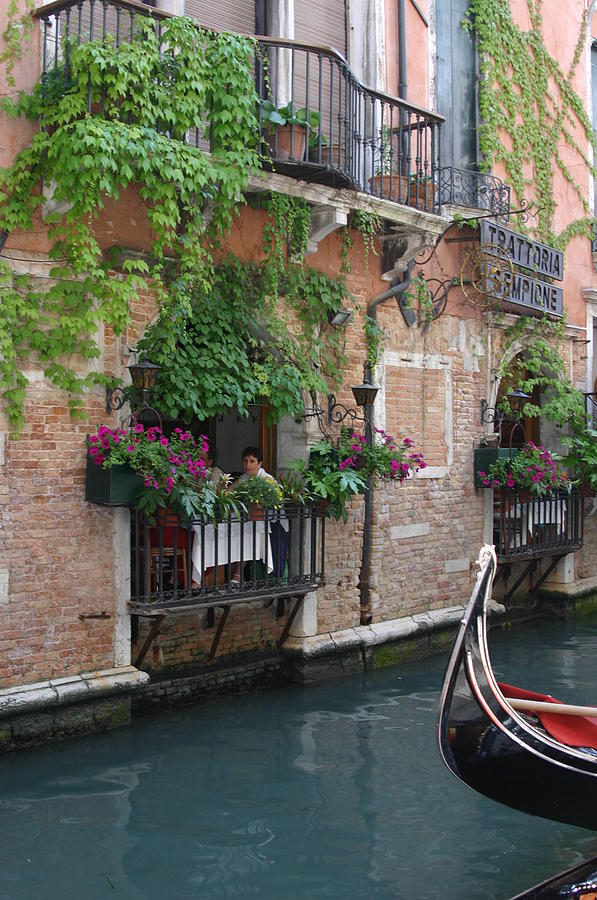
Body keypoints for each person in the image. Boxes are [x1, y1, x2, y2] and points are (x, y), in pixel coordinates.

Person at [230, 446, 288, 584]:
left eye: (252, 461)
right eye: (245, 461)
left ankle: (241, 577)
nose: (247, 464)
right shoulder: (244, 478)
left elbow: (271, 503)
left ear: (260, 463)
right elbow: (229, 492)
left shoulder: (267, 480)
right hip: (252, 522)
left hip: (273, 524)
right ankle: (237, 576)